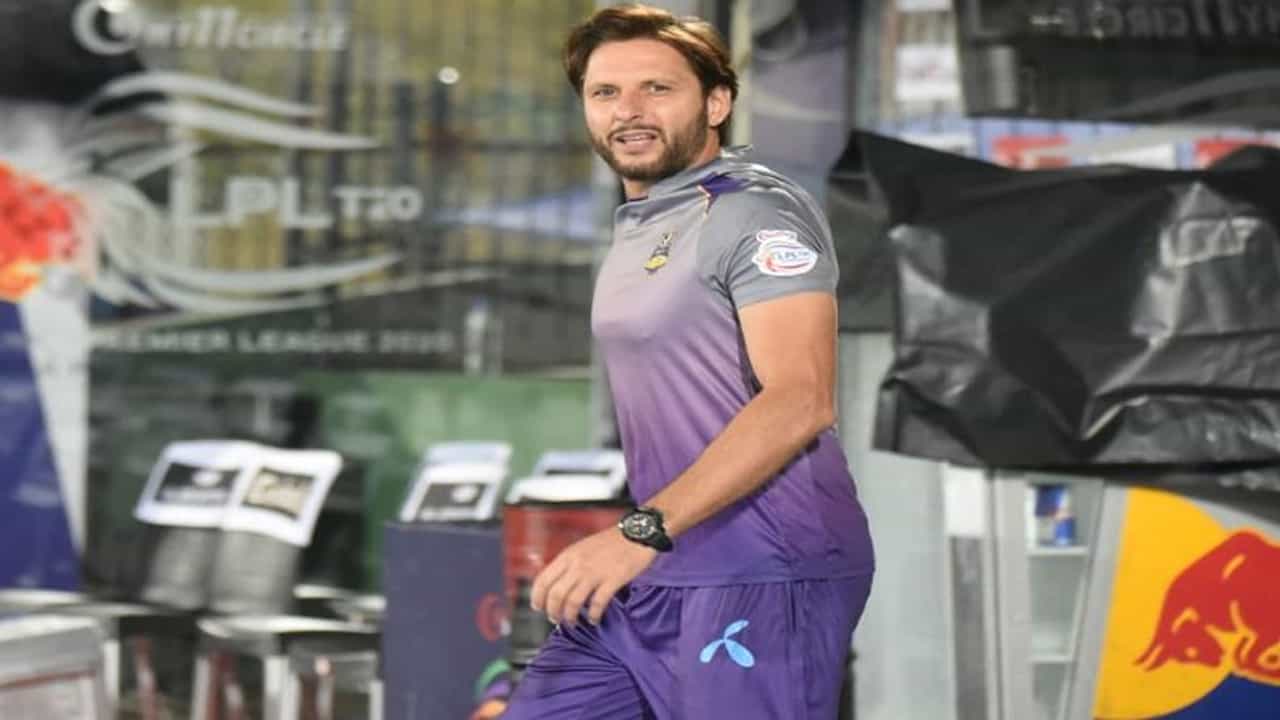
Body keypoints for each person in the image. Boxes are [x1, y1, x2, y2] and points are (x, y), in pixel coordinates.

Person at [502, 5, 875, 718]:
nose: (629, 110)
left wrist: (641, 531)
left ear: (717, 103)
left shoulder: (754, 212)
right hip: (661, 567)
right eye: (605, 92)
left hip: (762, 572)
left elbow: (801, 398)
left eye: (657, 88)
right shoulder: (645, 219)